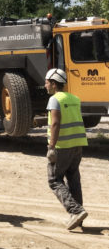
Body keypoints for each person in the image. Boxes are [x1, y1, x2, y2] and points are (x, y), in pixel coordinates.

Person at [44, 67, 88, 230]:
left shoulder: (55, 100)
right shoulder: (74, 98)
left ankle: (75, 211)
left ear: (54, 84)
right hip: (78, 145)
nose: (45, 85)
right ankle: (78, 217)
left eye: (47, 82)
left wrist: (51, 147)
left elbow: (55, 123)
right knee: (73, 178)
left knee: (54, 180)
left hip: (62, 146)